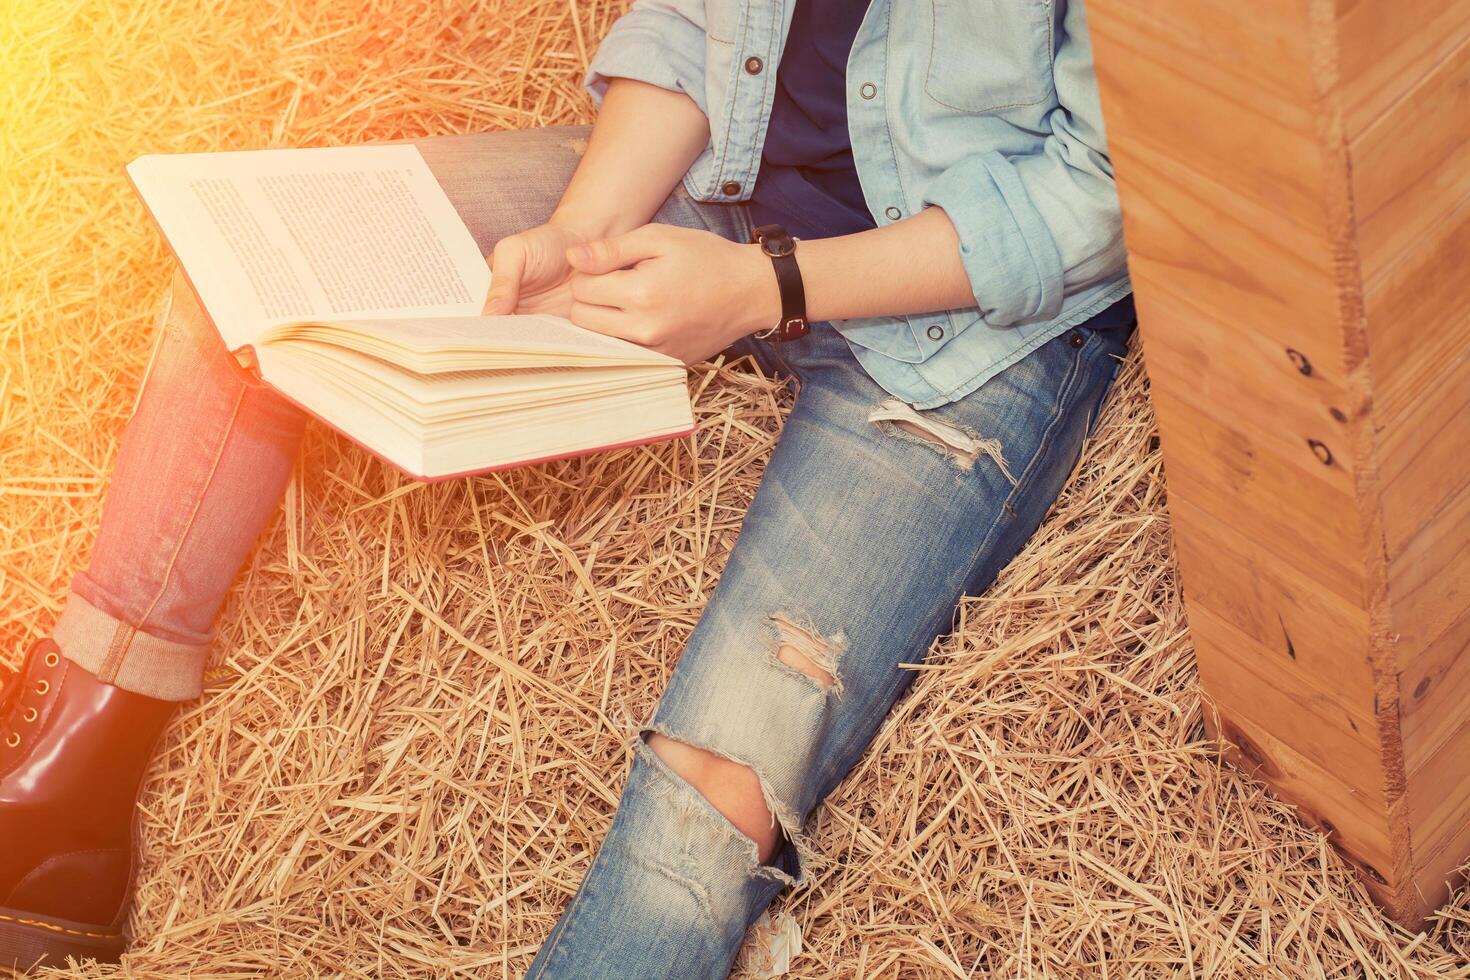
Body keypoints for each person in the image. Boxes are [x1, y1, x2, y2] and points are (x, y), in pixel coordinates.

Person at [0, 0, 1135, 975]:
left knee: (723, 769)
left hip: (964, 316)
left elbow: (1105, 188)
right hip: (712, 192)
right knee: (242, 271)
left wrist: (761, 289)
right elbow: (700, 23)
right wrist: (581, 232)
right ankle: (67, 793)